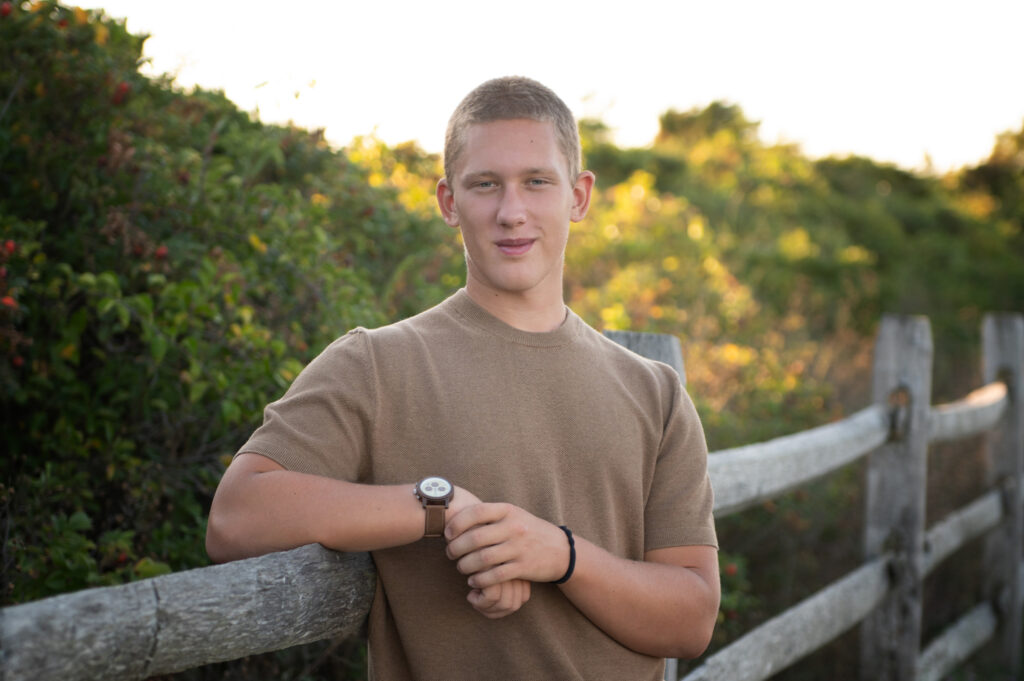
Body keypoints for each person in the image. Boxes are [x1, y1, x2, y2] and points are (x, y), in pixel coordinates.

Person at [206, 76, 719, 681]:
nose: (511, 212)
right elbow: (236, 517)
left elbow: (691, 621)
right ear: (449, 202)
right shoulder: (377, 364)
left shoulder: (654, 393)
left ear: (578, 196)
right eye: (485, 185)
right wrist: (440, 506)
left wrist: (561, 555)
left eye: (536, 181)